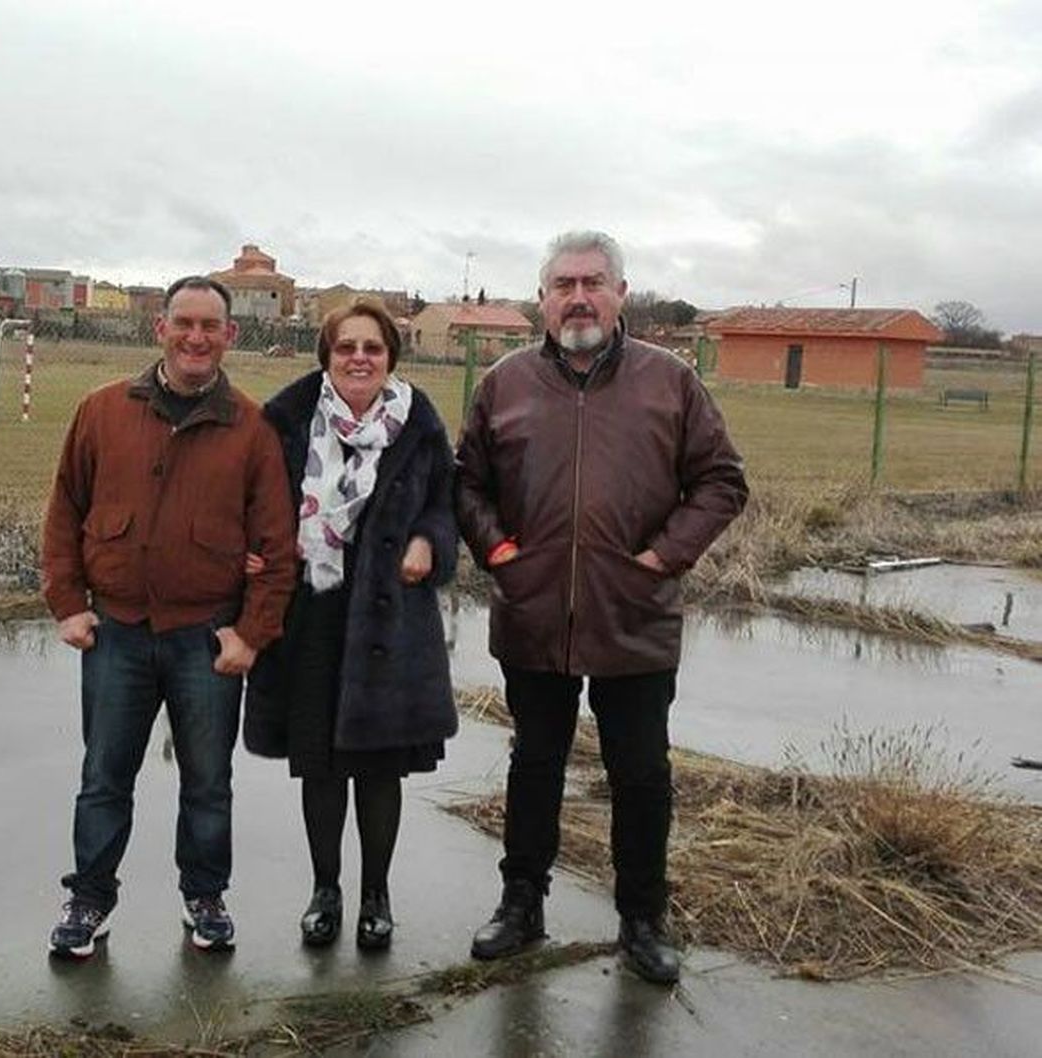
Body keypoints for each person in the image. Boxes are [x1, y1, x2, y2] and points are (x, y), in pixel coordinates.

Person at [454, 231, 748, 984]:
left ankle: (643, 919)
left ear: (621, 292)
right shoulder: (506, 383)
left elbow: (720, 480)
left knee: (641, 775)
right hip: (535, 615)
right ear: (542, 299)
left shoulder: (670, 382)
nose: (578, 296)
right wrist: (499, 554)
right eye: (563, 284)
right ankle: (522, 904)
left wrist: (662, 558)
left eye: (593, 281)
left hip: (634, 618)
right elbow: (467, 484)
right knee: (534, 765)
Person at [41, 276, 297, 959]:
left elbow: (277, 545)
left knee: (208, 783)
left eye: (210, 326)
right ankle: (88, 899)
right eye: (184, 323)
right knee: (104, 779)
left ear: (229, 336)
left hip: (205, 639)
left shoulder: (251, 428)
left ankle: (205, 897)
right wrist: (68, 605)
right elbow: (65, 509)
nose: (196, 337)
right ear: (160, 329)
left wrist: (252, 633)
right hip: (117, 632)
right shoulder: (101, 412)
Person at [243, 301, 458, 952]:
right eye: (346, 347)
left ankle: (376, 895)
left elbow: (446, 503)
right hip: (311, 610)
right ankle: (325, 890)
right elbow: (250, 500)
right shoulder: (284, 420)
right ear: (326, 355)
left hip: (389, 618)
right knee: (320, 765)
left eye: (372, 347)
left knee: (378, 768)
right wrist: (250, 548)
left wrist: (428, 542)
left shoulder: (418, 424)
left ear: (391, 356)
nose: (359, 358)